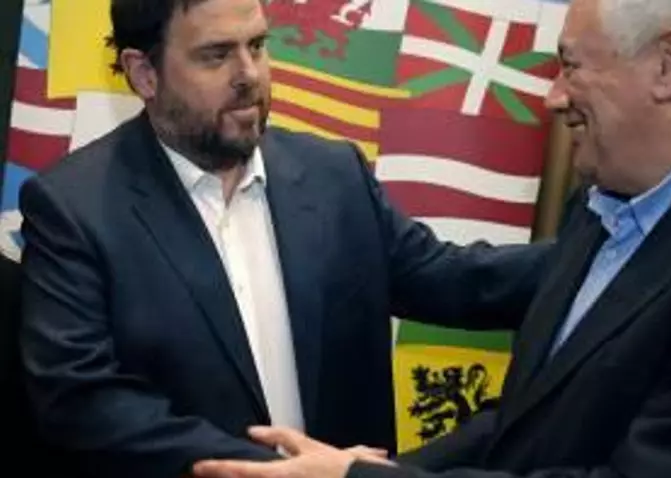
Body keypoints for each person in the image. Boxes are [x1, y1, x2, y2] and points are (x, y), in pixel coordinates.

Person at [191, 0, 671, 477]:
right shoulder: (613, 195)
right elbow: (529, 423)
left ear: (670, 65)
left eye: (571, 66)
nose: (553, 98)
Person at [16, 0, 551, 476]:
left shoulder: (335, 175)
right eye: (216, 55)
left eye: (256, 45)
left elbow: (457, 280)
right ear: (144, 73)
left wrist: (591, 257)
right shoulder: (75, 208)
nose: (249, 74)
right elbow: (80, 400)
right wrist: (285, 473)